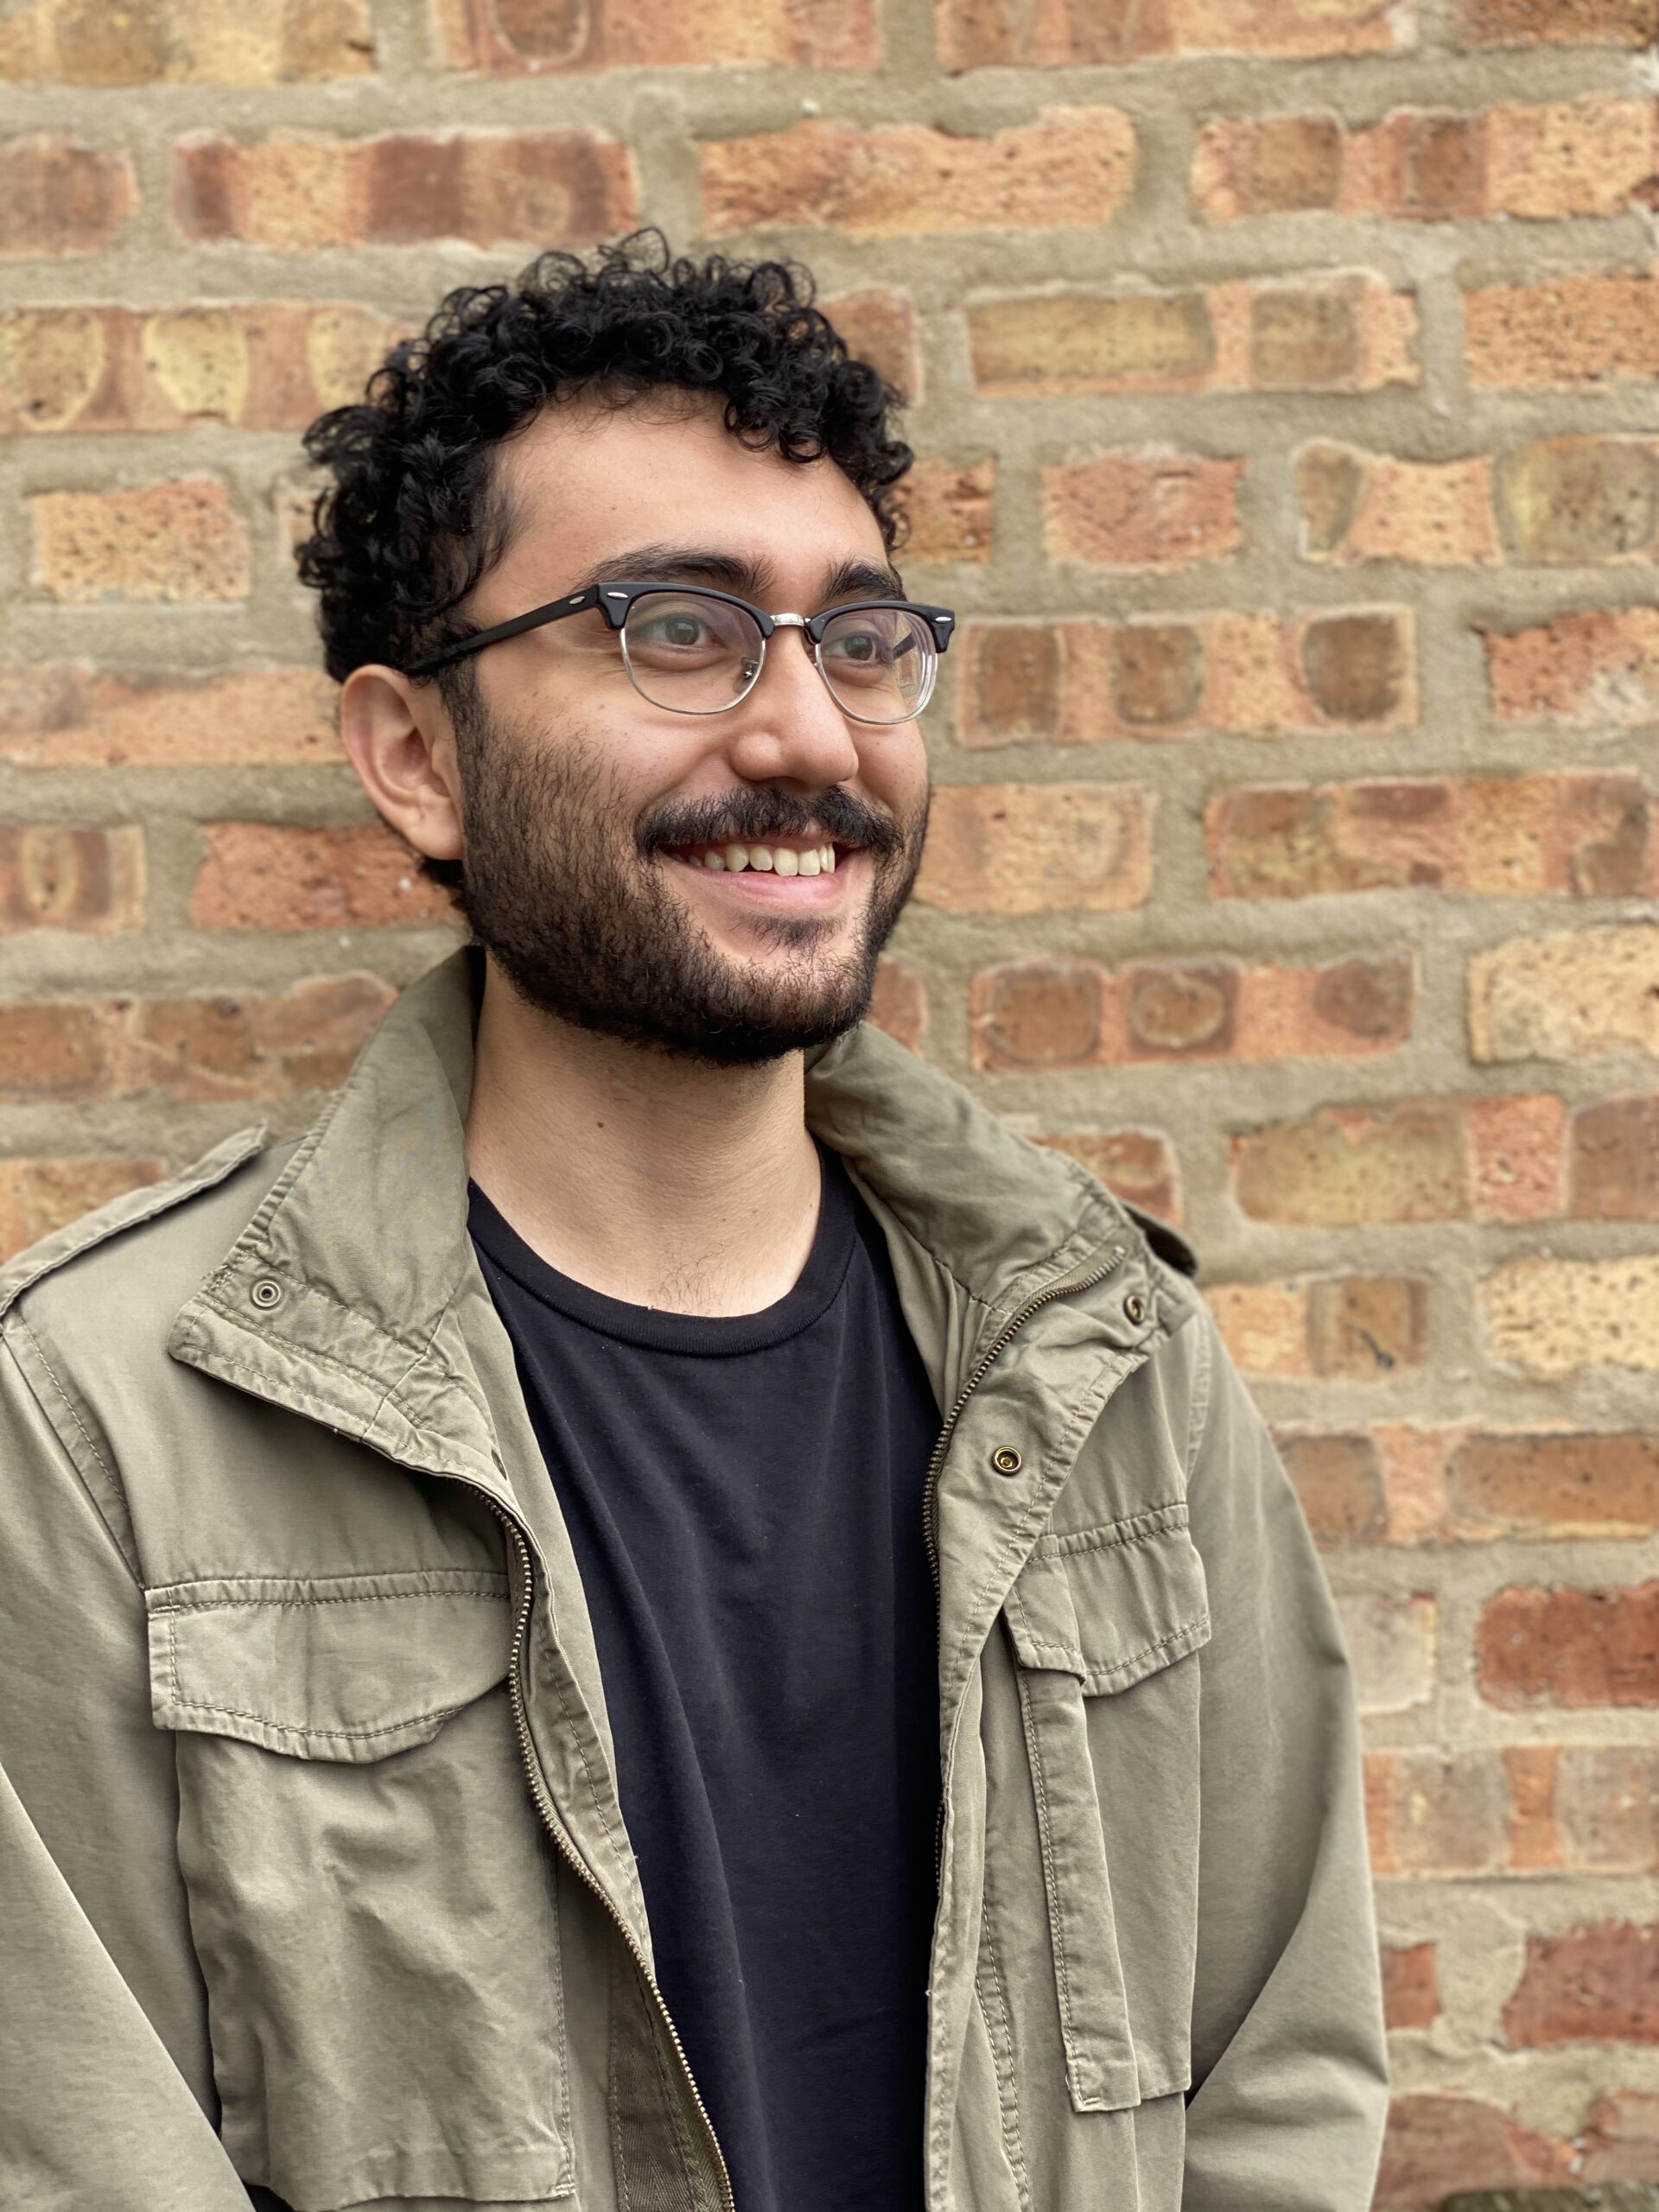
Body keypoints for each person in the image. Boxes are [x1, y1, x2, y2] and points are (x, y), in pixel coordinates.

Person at [0, 235, 1387, 2212]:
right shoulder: (96, 1428)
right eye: (679, 629)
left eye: (863, 636)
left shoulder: (1106, 1359)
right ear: (415, 756)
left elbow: (1280, 2075)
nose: (812, 735)